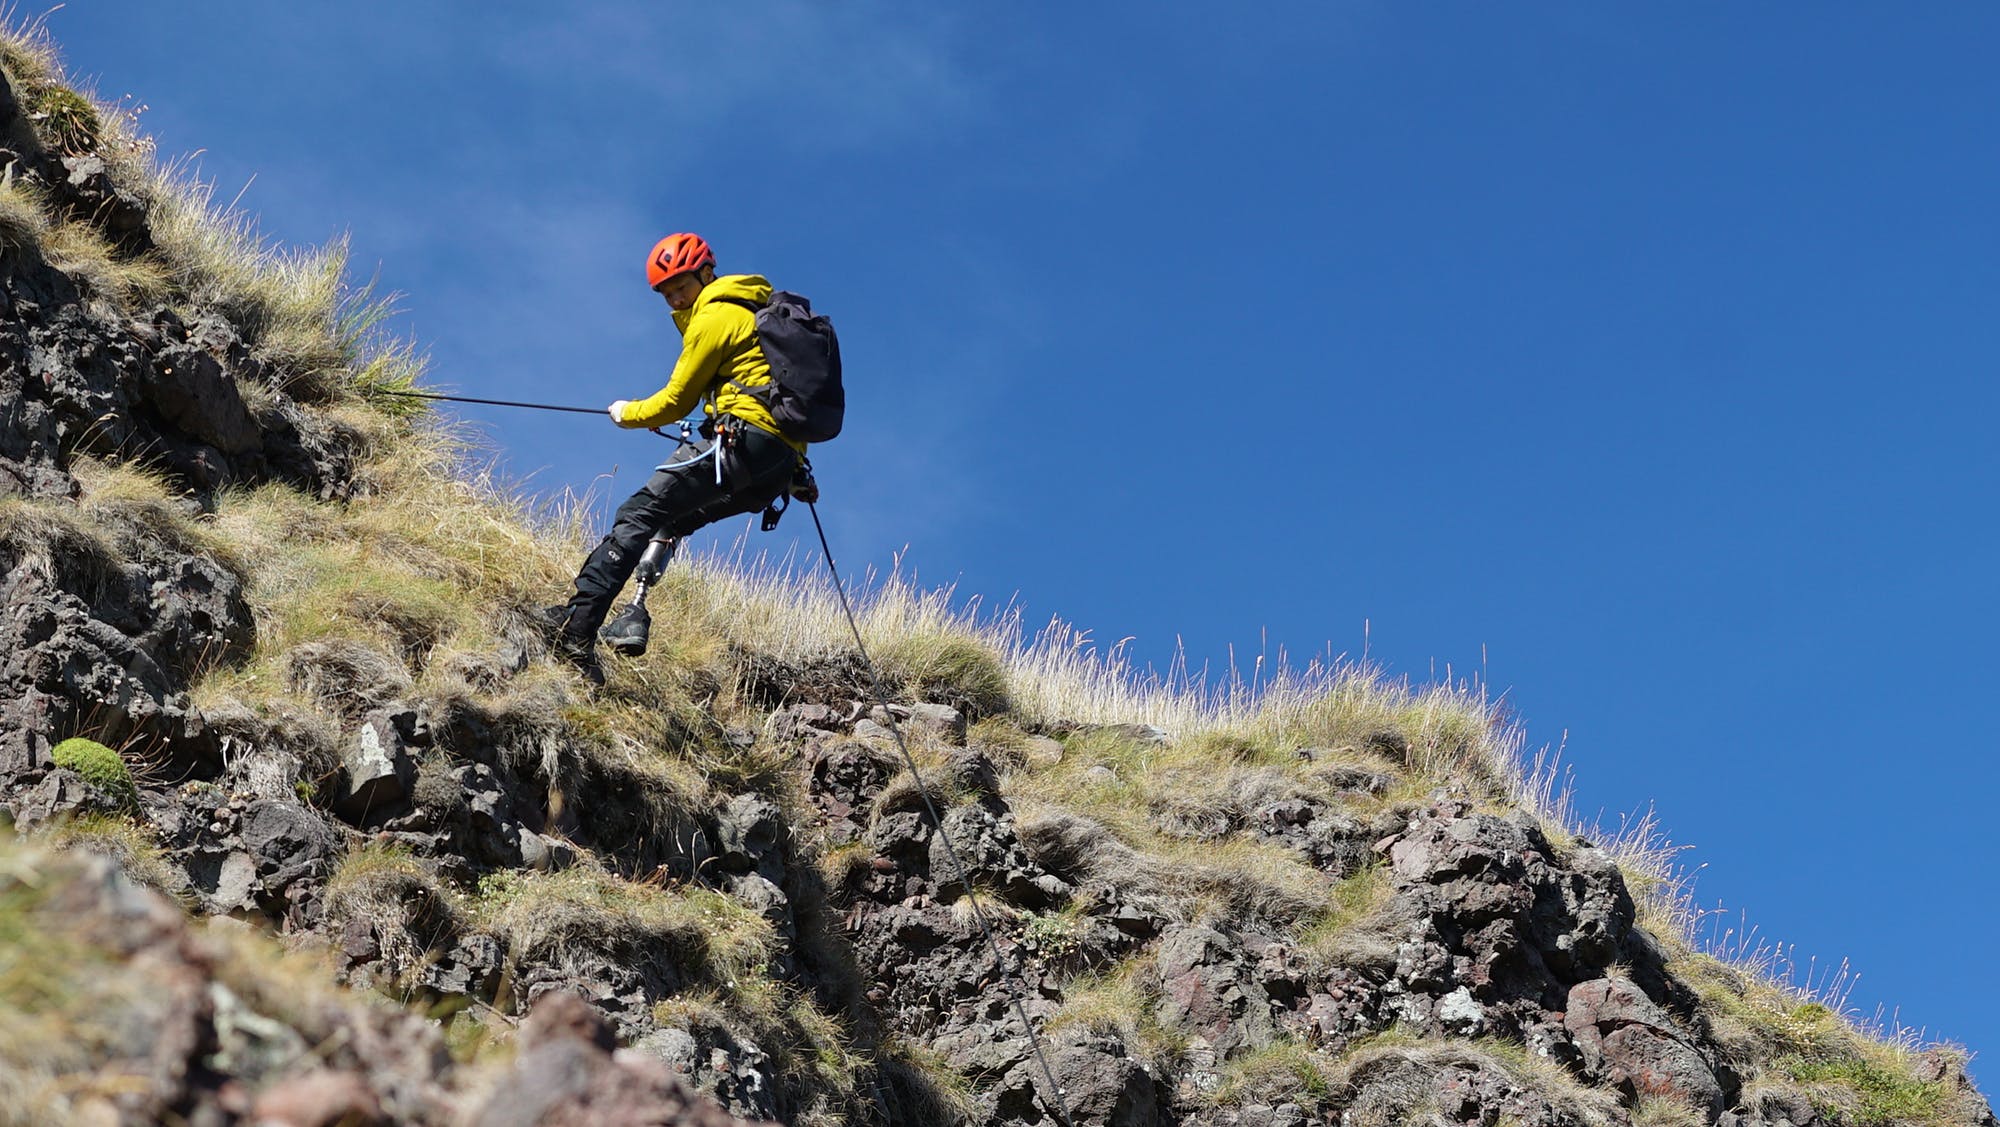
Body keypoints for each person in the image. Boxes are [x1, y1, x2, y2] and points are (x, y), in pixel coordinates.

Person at [545, 232, 806, 685]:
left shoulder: (716, 316)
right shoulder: (755, 312)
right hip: (775, 467)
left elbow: (675, 401)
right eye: (666, 294)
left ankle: (575, 633)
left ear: (707, 273)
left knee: (638, 513)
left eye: (681, 287)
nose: (674, 299)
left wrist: (627, 412)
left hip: (739, 443)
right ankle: (623, 614)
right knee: (672, 518)